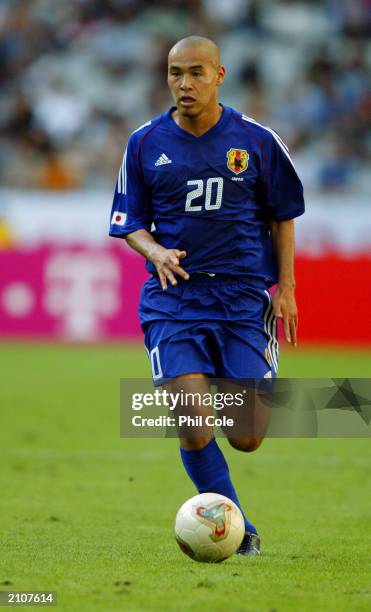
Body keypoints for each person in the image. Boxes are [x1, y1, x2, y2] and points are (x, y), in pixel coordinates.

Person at [109, 36, 305, 555]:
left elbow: (282, 215)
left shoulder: (258, 141)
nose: (184, 84)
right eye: (175, 73)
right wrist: (154, 252)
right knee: (194, 426)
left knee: (246, 436)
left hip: (243, 301)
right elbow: (128, 222)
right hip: (174, 301)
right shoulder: (145, 142)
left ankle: (234, 374)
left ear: (220, 75)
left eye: (196, 72)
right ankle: (238, 530)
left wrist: (285, 287)